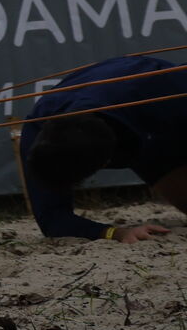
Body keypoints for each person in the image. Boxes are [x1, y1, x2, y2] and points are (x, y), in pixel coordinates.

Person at [19, 54, 187, 242]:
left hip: (152, 99)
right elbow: (52, 220)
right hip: (124, 114)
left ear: (106, 163)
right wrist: (115, 233)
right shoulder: (37, 131)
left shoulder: (170, 92)